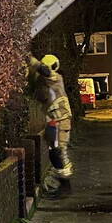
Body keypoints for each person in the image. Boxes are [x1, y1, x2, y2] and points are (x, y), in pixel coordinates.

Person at [29, 54, 73, 196]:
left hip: (61, 119)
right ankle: (62, 185)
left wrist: (28, 58)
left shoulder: (55, 78)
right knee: (54, 152)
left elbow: (44, 71)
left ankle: (65, 187)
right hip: (53, 120)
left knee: (59, 151)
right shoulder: (43, 82)